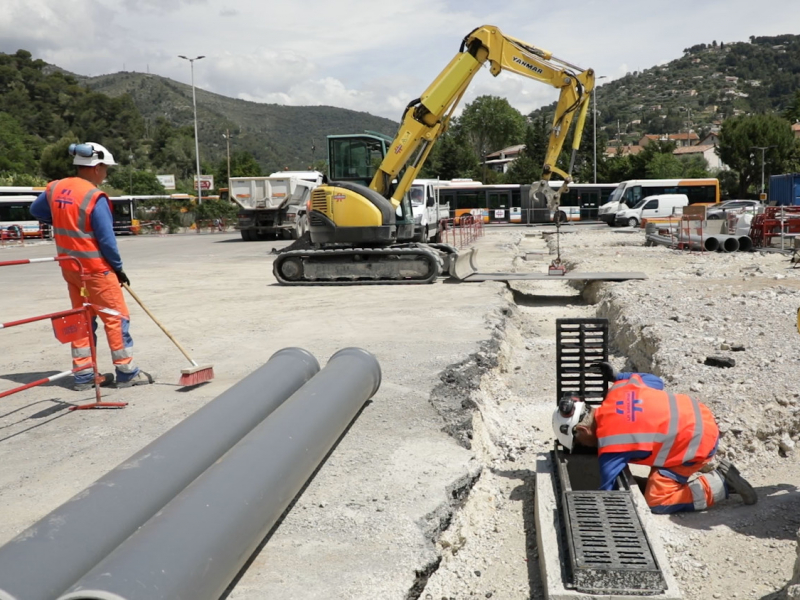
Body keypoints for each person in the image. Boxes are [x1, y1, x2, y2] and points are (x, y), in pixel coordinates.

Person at [552, 362, 757, 514]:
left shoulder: (611, 444)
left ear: (583, 430)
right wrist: (618, 375)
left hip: (698, 443)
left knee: (658, 500)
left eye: (578, 443)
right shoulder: (619, 389)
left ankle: (721, 483)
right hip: (700, 415)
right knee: (653, 449)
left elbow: (607, 494)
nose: (584, 448)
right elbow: (654, 381)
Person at [31, 142, 154, 391]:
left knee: (82, 319)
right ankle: (126, 372)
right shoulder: (93, 196)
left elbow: (36, 210)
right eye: (106, 168)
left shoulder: (55, 188)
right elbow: (107, 240)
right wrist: (118, 268)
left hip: (71, 269)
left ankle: (84, 376)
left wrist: (59, 219)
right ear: (96, 167)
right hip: (97, 270)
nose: (106, 172)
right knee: (115, 319)